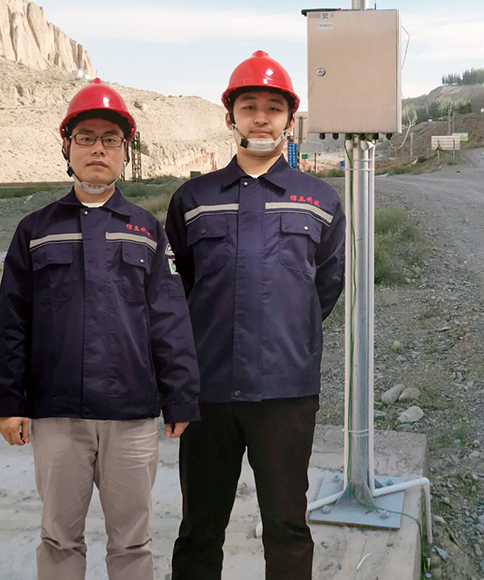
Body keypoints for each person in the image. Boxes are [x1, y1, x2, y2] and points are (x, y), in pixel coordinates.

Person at [0, 78, 200, 580]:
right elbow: (11, 321)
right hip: (56, 412)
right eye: (86, 138)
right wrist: (9, 401)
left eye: (110, 139)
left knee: (132, 542)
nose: (97, 149)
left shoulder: (146, 229)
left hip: (131, 415)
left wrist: (180, 396)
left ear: (125, 152)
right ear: (66, 147)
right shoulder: (35, 230)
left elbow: (169, 318)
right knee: (58, 539)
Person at [167, 50, 345, 580]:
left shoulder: (319, 199)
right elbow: (178, 290)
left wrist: (286, 334)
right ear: (231, 116)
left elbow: (326, 286)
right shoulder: (193, 199)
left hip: (286, 393)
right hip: (209, 392)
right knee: (200, 528)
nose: (261, 118)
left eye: (273, 108)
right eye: (249, 106)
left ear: (290, 119)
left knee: (287, 527)